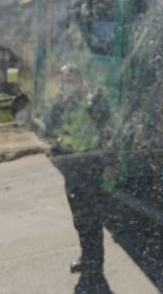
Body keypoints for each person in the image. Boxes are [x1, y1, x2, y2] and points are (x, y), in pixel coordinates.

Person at [46, 65, 112, 294]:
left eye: (70, 79)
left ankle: (95, 270)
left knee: (92, 220)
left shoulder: (93, 99)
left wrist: (110, 163)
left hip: (91, 166)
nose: (66, 83)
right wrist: (57, 104)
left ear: (80, 79)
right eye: (63, 79)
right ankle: (87, 259)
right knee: (79, 218)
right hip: (72, 167)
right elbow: (50, 129)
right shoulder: (63, 101)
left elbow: (107, 131)